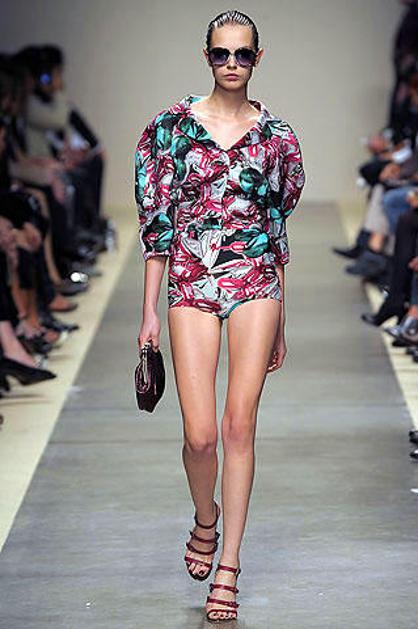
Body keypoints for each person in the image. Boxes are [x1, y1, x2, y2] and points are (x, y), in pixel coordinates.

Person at [135, 10, 305, 623]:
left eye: (243, 54)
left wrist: (283, 315)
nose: (232, 64)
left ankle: (228, 564)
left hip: (256, 280)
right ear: (205, 56)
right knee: (200, 435)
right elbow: (157, 227)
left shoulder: (278, 137)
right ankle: (204, 517)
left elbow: (276, 229)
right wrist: (149, 314)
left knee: (239, 428)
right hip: (191, 279)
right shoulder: (169, 129)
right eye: (221, 53)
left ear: (258, 58)